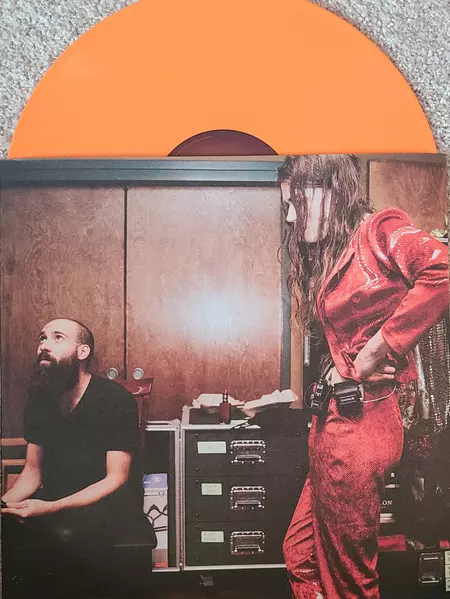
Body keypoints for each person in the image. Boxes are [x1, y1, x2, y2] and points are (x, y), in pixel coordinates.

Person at [278, 155, 449, 599]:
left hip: (359, 426)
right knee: (300, 555)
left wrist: (381, 347)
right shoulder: (339, 251)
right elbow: (346, 342)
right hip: (332, 422)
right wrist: (343, 366)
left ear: (330, 190)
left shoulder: (379, 230)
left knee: (350, 580)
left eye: (296, 202)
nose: (291, 216)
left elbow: (442, 269)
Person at [1, 318, 147, 597]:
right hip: (54, 498)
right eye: (42, 338)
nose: (44, 345)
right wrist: (4, 505)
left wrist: (50, 508)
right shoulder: (40, 399)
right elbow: (33, 472)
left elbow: (115, 479)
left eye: (57, 337)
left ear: (82, 352)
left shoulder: (116, 400)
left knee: (67, 540)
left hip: (108, 505)